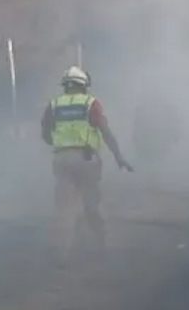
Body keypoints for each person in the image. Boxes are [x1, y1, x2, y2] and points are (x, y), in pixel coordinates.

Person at [41, 65, 132, 261]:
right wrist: (118, 156)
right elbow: (105, 132)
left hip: (62, 159)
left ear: (65, 86)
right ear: (84, 86)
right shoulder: (91, 104)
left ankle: (62, 254)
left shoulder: (54, 104)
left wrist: (61, 146)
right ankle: (101, 247)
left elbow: (45, 133)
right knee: (92, 203)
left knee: (65, 207)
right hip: (86, 158)